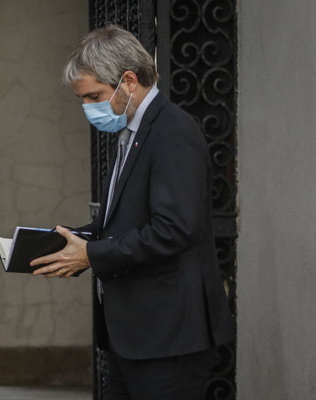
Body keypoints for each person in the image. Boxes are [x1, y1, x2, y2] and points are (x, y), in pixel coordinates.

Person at [31, 25, 234, 399]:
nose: (88, 108)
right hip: (134, 336)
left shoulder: (172, 130)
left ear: (128, 80)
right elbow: (126, 222)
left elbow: (175, 228)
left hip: (168, 338)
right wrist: (71, 241)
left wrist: (90, 254)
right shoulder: (130, 132)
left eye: (93, 96)